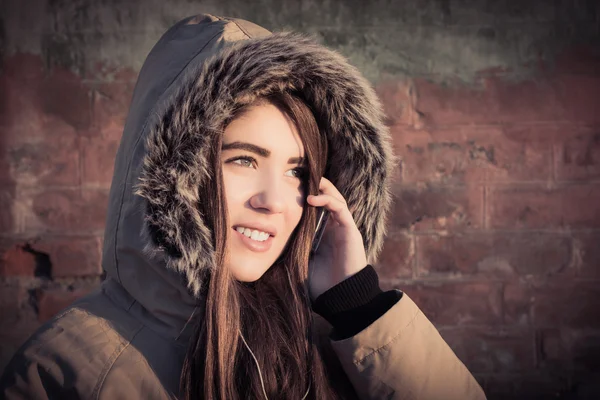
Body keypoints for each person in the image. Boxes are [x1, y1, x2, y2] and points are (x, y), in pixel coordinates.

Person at [0, 14, 486, 399]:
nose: (275, 201)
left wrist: (359, 306)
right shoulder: (65, 371)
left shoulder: (337, 344)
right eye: (243, 160)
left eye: (297, 171)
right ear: (174, 175)